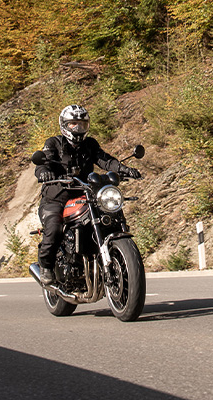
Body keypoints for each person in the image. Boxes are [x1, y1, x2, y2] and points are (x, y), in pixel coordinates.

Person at [34, 104, 140, 285]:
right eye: (73, 124)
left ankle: (115, 256)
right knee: (54, 227)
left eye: (81, 124)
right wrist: (44, 172)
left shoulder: (90, 144)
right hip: (57, 196)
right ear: (64, 125)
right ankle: (46, 266)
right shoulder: (54, 144)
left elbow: (105, 160)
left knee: (108, 216)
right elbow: (43, 162)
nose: (77, 128)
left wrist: (124, 169)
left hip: (86, 193)